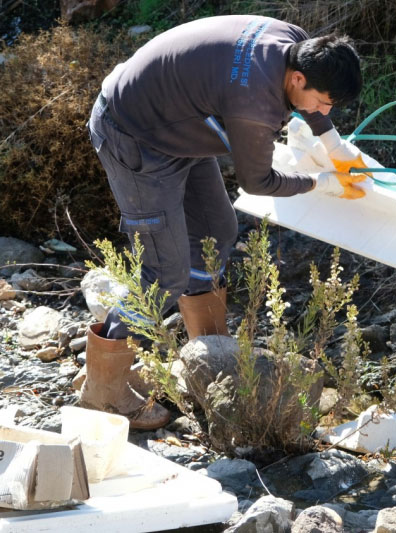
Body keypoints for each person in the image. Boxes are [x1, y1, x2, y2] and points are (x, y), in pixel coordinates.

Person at [82, 15, 366, 429]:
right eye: (323, 103)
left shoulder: (297, 43)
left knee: (217, 230)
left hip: (174, 118)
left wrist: (333, 144)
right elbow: (258, 181)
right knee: (165, 274)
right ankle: (103, 392)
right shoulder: (254, 102)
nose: (324, 111)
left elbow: (310, 101)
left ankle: (208, 359)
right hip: (132, 131)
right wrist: (324, 183)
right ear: (298, 79)